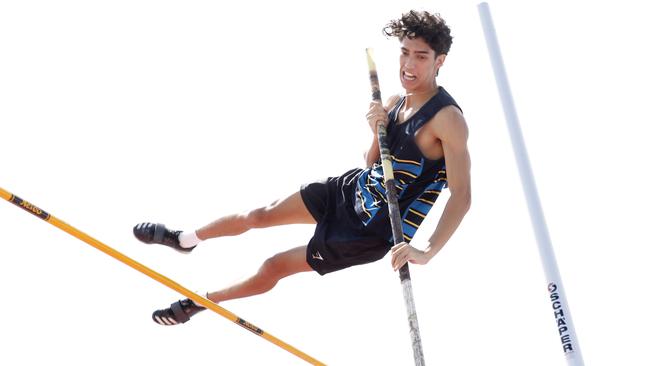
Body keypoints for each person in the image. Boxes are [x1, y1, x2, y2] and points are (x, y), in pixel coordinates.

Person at [134, 10, 471, 326]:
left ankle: (201, 302)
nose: (408, 64)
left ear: (439, 61)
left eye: (421, 56)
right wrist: (375, 131)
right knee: (258, 215)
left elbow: (462, 195)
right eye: (404, 52)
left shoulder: (448, 120)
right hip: (351, 190)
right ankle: (185, 239)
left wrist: (426, 251)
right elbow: (372, 163)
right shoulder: (397, 101)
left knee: (274, 266)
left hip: (367, 232)